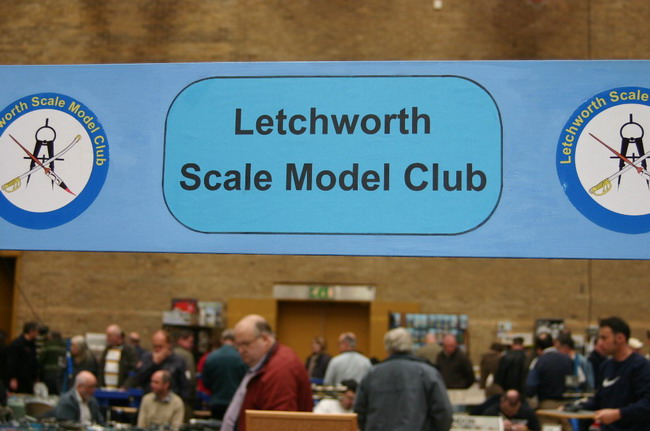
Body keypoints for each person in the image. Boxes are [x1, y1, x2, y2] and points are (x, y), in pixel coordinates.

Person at [221, 314, 312, 431]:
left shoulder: (280, 369)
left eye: (246, 344)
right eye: (238, 345)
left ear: (265, 339)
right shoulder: (262, 364)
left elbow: (280, 425)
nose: (240, 351)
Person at [354, 327, 452, 431]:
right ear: (410, 345)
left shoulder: (372, 375)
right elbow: (443, 412)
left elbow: (359, 412)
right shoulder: (427, 373)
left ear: (387, 347)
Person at [578, 317, 650, 430]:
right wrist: (575, 407)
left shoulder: (641, 367)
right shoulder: (606, 366)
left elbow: (647, 404)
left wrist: (619, 413)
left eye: (604, 338)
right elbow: (599, 400)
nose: (600, 343)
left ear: (620, 338)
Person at [525, 333, 572, 429]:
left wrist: (531, 399)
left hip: (547, 405)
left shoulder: (539, 361)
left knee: (549, 427)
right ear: (553, 343)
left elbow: (530, 385)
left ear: (538, 349)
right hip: (566, 405)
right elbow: (576, 381)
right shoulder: (567, 359)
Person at [202, 329, 247, 419]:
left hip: (216, 402)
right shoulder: (241, 358)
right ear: (235, 341)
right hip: (236, 402)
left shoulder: (211, 357)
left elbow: (206, 382)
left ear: (222, 340)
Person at [134, 330, 189, 401]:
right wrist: (154, 363)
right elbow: (138, 379)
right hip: (151, 400)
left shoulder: (178, 361)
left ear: (169, 345)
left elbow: (185, 386)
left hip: (171, 401)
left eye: (160, 347)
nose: (157, 350)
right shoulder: (147, 358)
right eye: (155, 347)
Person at [99, 324, 137, 389]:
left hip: (121, 389)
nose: (107, 338)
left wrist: (126, 386)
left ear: (117, 336)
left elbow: (133, 370)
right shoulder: (107, 349)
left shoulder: (129, 350)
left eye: (109, 336)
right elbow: (101, 367)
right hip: (105, 388)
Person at [6, 321, 39, 393]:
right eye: (36, 331)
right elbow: (12, 362)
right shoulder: (17, 344)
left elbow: (34, 361)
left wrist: (35, 376)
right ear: (31, 331)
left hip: (29, 378)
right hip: (19, 379)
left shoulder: (32, 344)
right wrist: (13, 378)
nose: (37, 334)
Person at [39, 330, 67, 395]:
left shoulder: (47, 345)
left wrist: (39, 373)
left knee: (50, 392)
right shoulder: (64, 345)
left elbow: (41, 360)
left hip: (48, 372)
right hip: (60, 372)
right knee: (59, 391)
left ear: (51, 337)